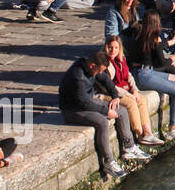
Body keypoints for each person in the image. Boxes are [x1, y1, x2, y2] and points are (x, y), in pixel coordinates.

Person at [59, 52, 148, 180]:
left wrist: (115, 96)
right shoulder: (78, 76)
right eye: (98, 70)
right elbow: (84, 103)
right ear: (92, 65)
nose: (98, 74)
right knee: (102, 121)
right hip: (72, 110)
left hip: (87, 100)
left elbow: (106, 80)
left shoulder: (92, 66)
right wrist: (105, 111)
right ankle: (108, 162)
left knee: (121, 110)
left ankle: (129, 147)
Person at [125, 12, 175, 140]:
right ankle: (173, 128)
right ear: (157, 24)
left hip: (144, 71)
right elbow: (162, 63)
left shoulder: (142, 35)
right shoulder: (153, 38)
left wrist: (172, 41)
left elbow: (159, 46)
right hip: (144, 75)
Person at [104, 35, 165, 146]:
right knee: (131, 103)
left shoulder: (121, 59)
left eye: (116, 48)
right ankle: (140, 134)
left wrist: (135, 90)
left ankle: (148, 132)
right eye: (110, 47)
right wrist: (129, 95)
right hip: (109, 93)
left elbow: (129, 76)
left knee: (141, 99)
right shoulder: (105, 63)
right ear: (106, 47)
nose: (113, 50)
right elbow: (110, 86)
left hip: (124, 90)